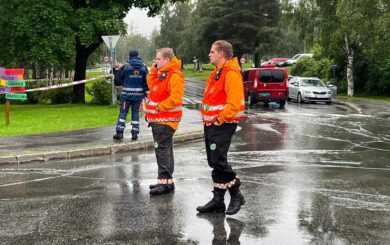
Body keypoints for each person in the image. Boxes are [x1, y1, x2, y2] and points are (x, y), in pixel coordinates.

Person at [196, 40, 246, 215]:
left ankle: (236, 193)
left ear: (221, 54)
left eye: (212, 52)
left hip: (223, 124)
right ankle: (218, 200)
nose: (209, 54)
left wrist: (220, 119)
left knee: (219, 160)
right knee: (213, 161)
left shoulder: (231, 73)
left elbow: (233, 103)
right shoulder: (216, 73)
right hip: (211, 124)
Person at [144, 48, 185, 195]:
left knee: (161, 150)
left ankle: (164, 181)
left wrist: (160, 107)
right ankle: (167, 181)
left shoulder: (174, 75)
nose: (156, 61)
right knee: (166, 149)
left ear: (167, 60)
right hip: (159, 120)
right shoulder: (163, 74)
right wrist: (154, 70)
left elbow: (175, 98)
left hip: (165, 119)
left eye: (158, 59)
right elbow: (151, 85)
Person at [113, 50, 148, 140]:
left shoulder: (126, 66)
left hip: (126, 95)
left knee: (123, 112)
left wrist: (119, 72)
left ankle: (120, 132)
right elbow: (147, 82)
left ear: (130, 56)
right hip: (138, 96)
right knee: (136, 113)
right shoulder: (144, 67)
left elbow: (118, 78)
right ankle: (135, 133)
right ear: (138, 55)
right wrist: (145, 93)